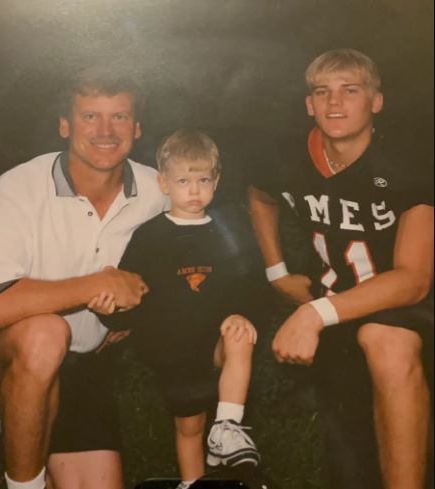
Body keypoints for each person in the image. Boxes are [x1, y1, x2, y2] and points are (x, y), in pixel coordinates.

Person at [0, 67, 168, 489]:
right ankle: (15, 459)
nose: (105, 130)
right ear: (64, 125)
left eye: (118, 117)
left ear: (137, 127)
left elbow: (191, 258)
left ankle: (21, 421)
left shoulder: (158, 191)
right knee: (45, 333)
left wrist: (138, 314)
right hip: (6, 351)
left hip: (86, 363)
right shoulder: (18, 188)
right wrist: (95, 284)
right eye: (89, 116)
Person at [248, 48, 433, 489]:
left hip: (408, 307)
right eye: (322, 92)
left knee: (385, 341)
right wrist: (276, 270)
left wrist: (313, 314)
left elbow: (413, 279)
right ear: (309, 104)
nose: (335, 103)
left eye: (350, 91)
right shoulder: (288, 157)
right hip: (337, 309)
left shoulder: (407, 163)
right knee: (354, 466)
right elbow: (259, 193)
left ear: (376, 101)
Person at [89, 129, 261, 489]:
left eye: (203, 180)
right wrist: (109, 312)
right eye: (184, 181)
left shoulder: (229, 232)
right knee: (189, 424)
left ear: (217, 181)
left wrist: (243, 312)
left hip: (213, 342)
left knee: (240, 335)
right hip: (171, 350)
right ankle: (191, 481)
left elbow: (248, 283)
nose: (194, 191)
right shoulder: (150, 236)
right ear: (164, 183)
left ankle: (228, 426)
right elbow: (133, 295)